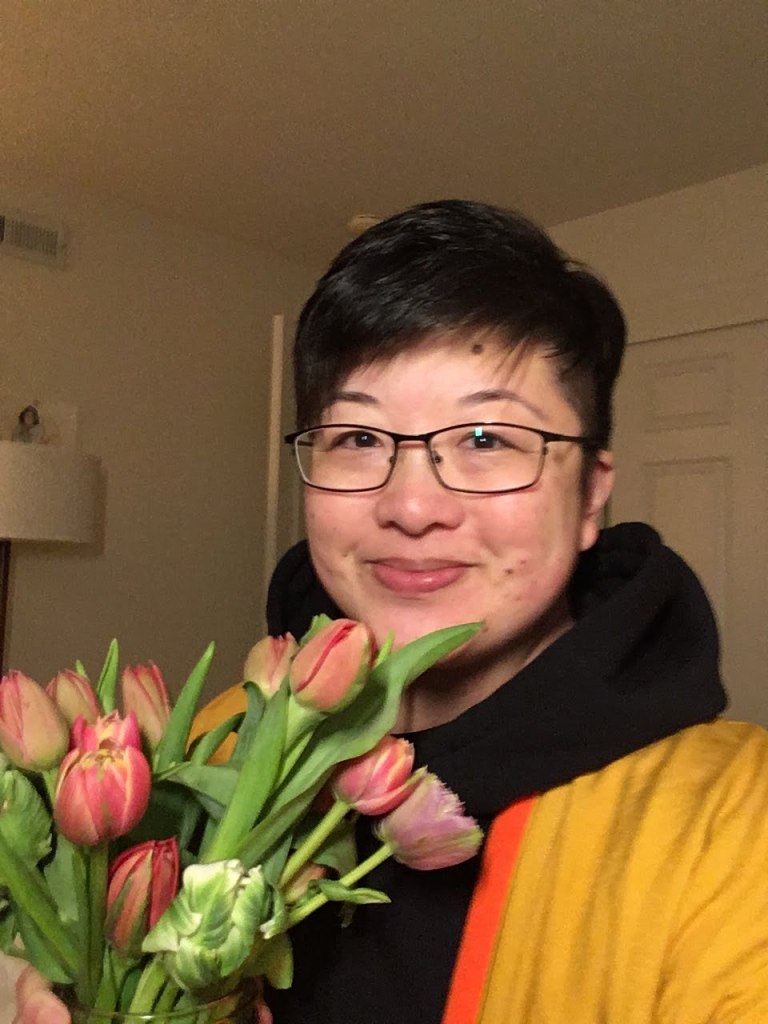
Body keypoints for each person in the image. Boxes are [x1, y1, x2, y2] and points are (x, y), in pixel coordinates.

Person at [16, 200, 768, 1023]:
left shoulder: (733, 822)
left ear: (591, 493)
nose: (412, 506)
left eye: (486, 440)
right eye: (359, 439)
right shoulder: (205, 749)